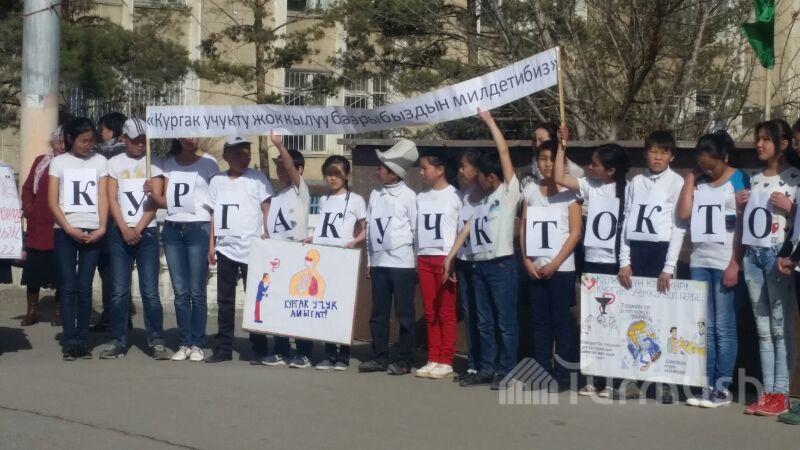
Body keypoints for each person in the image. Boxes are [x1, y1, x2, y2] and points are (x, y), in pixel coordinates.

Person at [444, 108, 521, 390]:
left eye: (483, 177)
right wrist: (451, 256)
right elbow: (467, 228)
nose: (478, 181)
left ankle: (507, 370)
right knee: (483, 321)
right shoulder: (480, 200)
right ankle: (486, 368)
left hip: (501, 265)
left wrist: (490, 122)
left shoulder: (507, 192)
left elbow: (504, 152)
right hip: (479, 265)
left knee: (504, 323)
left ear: (492, 176)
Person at [553, 139, 631, 397]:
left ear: (611, 170)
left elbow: (627, 231)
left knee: (612, 322)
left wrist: (625, 262)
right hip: (591, 262)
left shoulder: (628, 190)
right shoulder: (590, 185)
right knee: (592, 321)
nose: (589, 167)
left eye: (595, 164)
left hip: (614, 264)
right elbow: (559, 178)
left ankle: (611, 380)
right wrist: (561, 146)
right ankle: (591, 377)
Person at [676, 131, 747, 408]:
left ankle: (722, 386)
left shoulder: (738, 179)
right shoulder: (699, 181)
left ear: (724, 158)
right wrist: (690, 179)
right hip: (699, 262)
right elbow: (683, 214)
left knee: (724, 327)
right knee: (704, 327)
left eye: (711, 166)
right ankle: (706, 383)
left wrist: (735, 263)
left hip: (724, 262)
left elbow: (743, 226)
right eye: (702, 165)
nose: (707, 170)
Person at [614, 130, 686, 403]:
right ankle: (632, 376)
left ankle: (663, 381)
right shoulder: (636, 182)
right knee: (635, 314)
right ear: (645, 153)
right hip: (638, 252)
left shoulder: (676, 182)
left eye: (663, 152)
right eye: (653, 151)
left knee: (662, 315)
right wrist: (624, 261)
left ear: (672, 156)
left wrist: (669, 266)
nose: (657, 157)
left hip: (661, 252)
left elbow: (679, 227)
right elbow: (626, 221)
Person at [737, 119, 799, 416]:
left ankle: (782, 392)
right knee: (762, 328)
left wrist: (791, 208)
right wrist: (740, 205)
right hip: (753, 255)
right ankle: (768, 390)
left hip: (779, 255)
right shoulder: (753, 178)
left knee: (780, 326)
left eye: (766, 139)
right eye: (757, 138)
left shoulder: (795, 178)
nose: (759, 144)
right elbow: (744, 222)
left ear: (783, 144)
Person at [100, 118, 169, 360]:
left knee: (150, 291)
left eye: (143, 141)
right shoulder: (114, 163)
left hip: (146, 232)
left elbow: (155, 201)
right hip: (120, 232)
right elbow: (112, 198)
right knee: (119, 290)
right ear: (124, 139)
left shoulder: (155, 163)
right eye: (135, 141)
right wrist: (123, 228)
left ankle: (156, 340)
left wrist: (138, 228)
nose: (140, 145)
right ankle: (117, 340)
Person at [148, 138, 219, 362]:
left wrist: (213, 240)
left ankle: (197, 343)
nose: (189, 139)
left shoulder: (209, 163)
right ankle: (184, 342)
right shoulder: (169, 163)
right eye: (185, 135)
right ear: (178, 137)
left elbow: (216, 203)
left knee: (196, 290)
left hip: (199, 228)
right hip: (172, 229)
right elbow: (166, 201)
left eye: (193, 135)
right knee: (180, 291)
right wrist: (152, 193)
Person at [520, 139, 582, 390]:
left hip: (561, 269)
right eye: (542, 159)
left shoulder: (571, 193)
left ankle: (564, 375)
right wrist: (526, 260)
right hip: (536, 267)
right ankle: (542, 372)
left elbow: (575, 232)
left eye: (552, 159)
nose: (547, 164)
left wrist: (555, 264)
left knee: (562, 322)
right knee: (539, 323)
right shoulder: (530, 190)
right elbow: (524, 227)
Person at [205, 136, 273, 363]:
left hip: (252, 248)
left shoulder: (257, 178)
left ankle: (259, 346)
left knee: (256, 299)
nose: (243, 158)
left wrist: (267, 232)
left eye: (246, 154)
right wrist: (212, 244)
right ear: (226, 156)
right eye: (237, 154)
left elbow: (267, 208)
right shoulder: (217, 181)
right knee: (225, 300)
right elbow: (214, 214)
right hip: (226, 249)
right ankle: (223, 347)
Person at [48, 117, 109, 360]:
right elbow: (52, 201)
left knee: (84, 286)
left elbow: (103, 196)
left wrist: (102, 227)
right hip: (65, 230)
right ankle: (69, 339)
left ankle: (82, 340)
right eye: (83, 141)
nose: (88, 145)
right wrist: (68, 228)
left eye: (91, 141)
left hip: (93, 229)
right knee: (67, 285)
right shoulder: (58, 162)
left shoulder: (100, 161)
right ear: (70, 139)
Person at [358, 139, 419, 375]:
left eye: (382, 168)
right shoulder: (375, 194)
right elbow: (370, 229)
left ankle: (404, 359)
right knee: (378, 313)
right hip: (380, 263)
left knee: (404, 314)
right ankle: (379, 356)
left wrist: (415, 264)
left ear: (394, 173)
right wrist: (370, 261)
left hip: (402, 264)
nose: (378, 171)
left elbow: (415, 230)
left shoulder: (409, 196)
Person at [259, 131, 313, 368]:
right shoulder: (276, 196)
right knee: (278, 303)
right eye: (277, 165)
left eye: (283, 165)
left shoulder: (300, 191)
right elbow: (273, 227)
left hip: (297, 255)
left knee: (298, 305)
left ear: (298, 169)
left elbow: (290, 168)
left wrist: (279, 145)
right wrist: (266, 237)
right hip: (277, 258)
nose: (280, 169)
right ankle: (281, 349)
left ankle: (304, 351)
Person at [312, 155, 366, 371]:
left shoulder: (356, 200)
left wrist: (354, 242)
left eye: (337, 174)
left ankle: (343, 355)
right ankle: (328, 353)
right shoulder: (323, 200)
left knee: (342, 307)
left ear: (347, 175)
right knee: (325, 305)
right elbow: (323, 229)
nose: (332, 178)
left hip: (343, 259)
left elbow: (365, 229)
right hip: (324, 257)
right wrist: (312, 238)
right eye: (329, 174)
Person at [414, 149, 461, 380]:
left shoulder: (456, 196)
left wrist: (453, 260)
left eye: (425, 168)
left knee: (446, 311)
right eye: (420, 168)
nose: (421, 172)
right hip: (424, 257)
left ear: (440, 169)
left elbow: (461, 231)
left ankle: (446, 359)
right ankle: (433, 357)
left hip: (445, 259)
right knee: (430, 310)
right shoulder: (420, 198)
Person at [20, 126, 64, 326]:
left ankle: (59, 310)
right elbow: (28, 188)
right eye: (58, 141)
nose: (61, 146)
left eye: (65, 142)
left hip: (60, 224)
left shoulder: (72, 164)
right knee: (33, 271)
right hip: (38, 224)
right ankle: (32, 310)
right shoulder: (41, 162)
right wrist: (29, 208)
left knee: (61, 269)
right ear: (52, 142)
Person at [91, 111, 128, 332]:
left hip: (112, 218)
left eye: (103, 129)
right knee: (112, 270)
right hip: (114, 217)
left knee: (109, 270)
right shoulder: (113, 153)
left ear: (112, 130)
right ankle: (118, 315)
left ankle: (113, 317)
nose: (101, 133)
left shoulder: (110, 156)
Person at [453, 149, 484, 380]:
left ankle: (488, 363)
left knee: (484, 316)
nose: (461, 171)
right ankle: (473, 363)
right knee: (470, 313)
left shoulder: (488, 195)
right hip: (463, 261)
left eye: (464, 166)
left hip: (482, 262)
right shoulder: (464, 196)